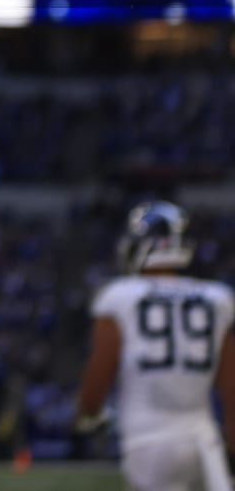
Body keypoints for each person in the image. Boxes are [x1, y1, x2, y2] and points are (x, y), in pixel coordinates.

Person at [76, 202, 235, 491]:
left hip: (148, 440)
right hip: (203, 440)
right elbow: (231, 386)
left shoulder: (119, 296)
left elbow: (98, 375)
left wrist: (89, 414)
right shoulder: (217, 297)